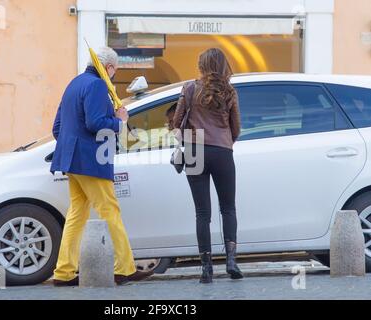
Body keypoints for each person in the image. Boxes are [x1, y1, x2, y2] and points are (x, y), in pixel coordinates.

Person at [50, 46, 154, 287]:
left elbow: (57, 128)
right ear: (108, 67)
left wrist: (72, 148)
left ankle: (64, 272)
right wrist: (120, 121)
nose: (114, 74)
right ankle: (124, 269)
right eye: (114, 70)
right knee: (110, 210)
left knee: (77, 214)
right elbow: (95, 122)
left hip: (71, 160)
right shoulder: (98, 85)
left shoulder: (74, 83)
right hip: (91, 160)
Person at [173, 48, 243, 283]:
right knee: (228, 208)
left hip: (194, 151)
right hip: (222, 151)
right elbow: (236, 129)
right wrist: (224, 141)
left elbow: (176, 122)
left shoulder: (190, 88)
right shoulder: (230, 91)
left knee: (202, 213)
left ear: (202, 66)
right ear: (223, 66)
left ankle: (206, 268)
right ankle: (231, 261)